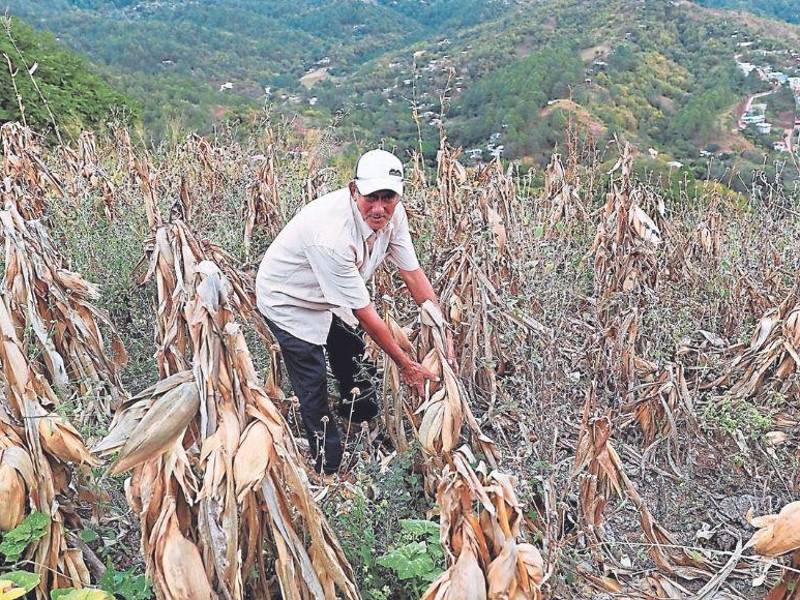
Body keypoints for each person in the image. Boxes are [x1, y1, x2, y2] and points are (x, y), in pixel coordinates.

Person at [255, 149, 441, 474]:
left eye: (388, 197)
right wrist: (406, 365)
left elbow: (413, 274)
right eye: (371, 197)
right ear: (353, 190)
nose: (380, 207)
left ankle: (359, 421)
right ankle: (329, 466)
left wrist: (443, 337)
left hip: (332, 295)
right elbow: (365, 313)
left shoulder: (393, 216)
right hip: (290, 299)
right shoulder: (332, 237)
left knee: (354, 357)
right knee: (312, 384)